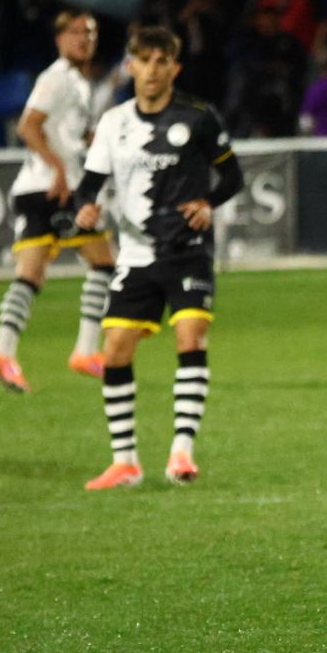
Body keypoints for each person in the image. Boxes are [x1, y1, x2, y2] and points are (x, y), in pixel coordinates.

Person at [71, 26, 244, 490]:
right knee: (114, 351)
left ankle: (181, 452)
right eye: (143, 60)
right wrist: (83, 209)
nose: (152, 70)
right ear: (130, 66)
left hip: (187, 252)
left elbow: (232, 177)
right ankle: (125, 461)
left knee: (191, 336)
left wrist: (207, 203)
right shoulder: (113, 123)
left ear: (175, 68)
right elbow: (87, 188)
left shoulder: (199, 117)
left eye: (161, 61)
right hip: (136, 256)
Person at [0, 10, 115, 393]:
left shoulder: (78, 83)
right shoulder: (55, 78)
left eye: (90, 33)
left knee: (31, 274)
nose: (83, 39)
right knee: (104, 261)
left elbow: (70, 135)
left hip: (43, 188)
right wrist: (59, 169)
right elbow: (28, 125)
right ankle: (86, 350)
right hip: (53, 188)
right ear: (58, 39)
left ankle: (3, 352)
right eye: (75, 32)